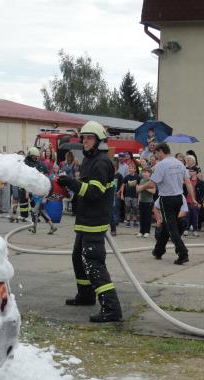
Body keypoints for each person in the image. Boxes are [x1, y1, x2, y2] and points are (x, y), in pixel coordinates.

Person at [56, 121, 122, 323]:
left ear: (99, 141)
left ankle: (111, 308)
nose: (85, 141)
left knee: (94, 264)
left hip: (95, 220)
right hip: (85, 219)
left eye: (89, 138)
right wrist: (67, 188)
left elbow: (94, 192)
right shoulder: (89, 160)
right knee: (78, 258)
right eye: (83, 137)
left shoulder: (101, 162)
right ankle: (85, 295)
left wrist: (72, 183)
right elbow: (84, 188)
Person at [137, 142, 196, 265]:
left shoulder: (162, 165)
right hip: (179, 198)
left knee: (171, 227)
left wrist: (141, 187)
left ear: (161, 151)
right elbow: (188, 182)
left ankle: (183, 253)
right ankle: (159, 250)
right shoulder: (180, 163)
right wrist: (193, 198)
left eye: (156, 153)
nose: (156, 156)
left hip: (167, 199)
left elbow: (153, 183)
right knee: (167, 225)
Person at [120, 162, 140, 229]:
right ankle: (128, 221)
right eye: (129, 168)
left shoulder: (137, 177)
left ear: (134, 169)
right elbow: (122, 186)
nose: (130, 169)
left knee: (135, 209)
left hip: (135, 196)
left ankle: (134, 221)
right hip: (127, 196)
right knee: (127, 209)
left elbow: (139, 186)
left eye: (132, 168)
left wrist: (139, 196)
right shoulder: (126, 177)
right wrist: (122, 194)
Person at [138, 167, 155, 238]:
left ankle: (147, 231)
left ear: (150, 173)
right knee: (141, 217)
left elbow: (154, 191)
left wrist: (144, 188)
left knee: (147, 217)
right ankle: (141, 231)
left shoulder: (151, 181)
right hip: (142, 201)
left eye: (146, 172)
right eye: (143, 172)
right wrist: (139, 197)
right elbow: (139, 190)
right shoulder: (141, 180)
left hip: (148, 202)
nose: (144, 173)